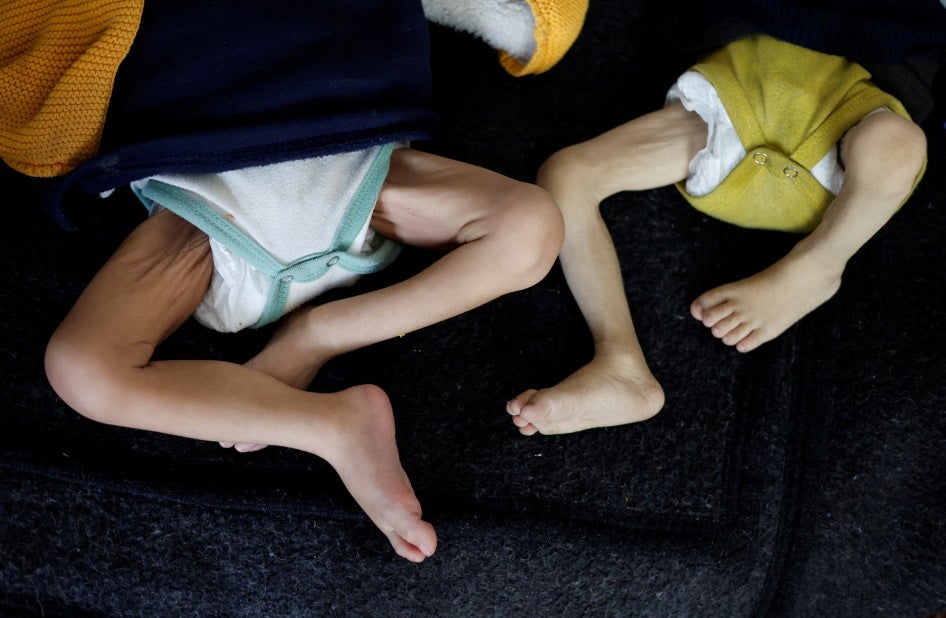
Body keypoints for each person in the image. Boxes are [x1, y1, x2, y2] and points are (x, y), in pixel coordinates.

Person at [3, 0, 586, 562]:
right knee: (83, 371)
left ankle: (321, 334)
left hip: (354, 153)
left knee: (533, 226)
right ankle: (329, 426)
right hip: (207, 190)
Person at [506, 32, 931, 436]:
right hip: (731, 106)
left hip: (853, 123)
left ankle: (819, 265)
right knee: (566, 174)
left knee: (899, 143)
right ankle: (620, 361)